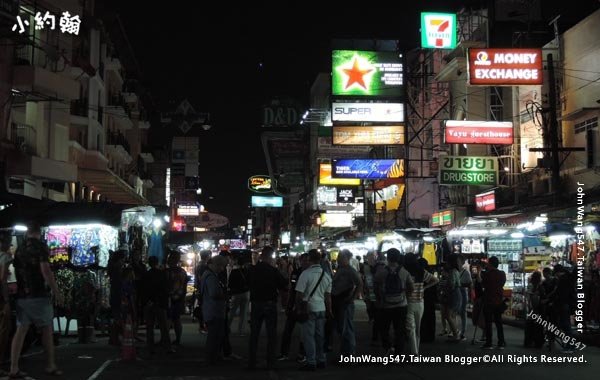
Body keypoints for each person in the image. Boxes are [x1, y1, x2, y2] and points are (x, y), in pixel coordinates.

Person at [10, 221, 64, 378]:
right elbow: (45, 271)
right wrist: (56, 291)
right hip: (38, 294)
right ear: (39, 232)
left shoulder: (19, 249)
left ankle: (14, 367)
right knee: (47, 329)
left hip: (22, 296)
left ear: (27, 232)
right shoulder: (40, 247)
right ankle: (50, 365)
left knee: (21, 331)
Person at [246, 246, 287, 370]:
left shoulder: (252, 270)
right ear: (270, 257)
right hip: (269, 303)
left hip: (256, 303)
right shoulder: (273, 270)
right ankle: (270, 361)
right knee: (271, 334)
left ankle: (252, 361)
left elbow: (247, 284)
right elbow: (284, 285)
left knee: (254, 334)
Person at [295, 249, 333, 371]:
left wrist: (298, 309)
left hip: (309, 309)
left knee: (309, 337)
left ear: (309, 260)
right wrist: (329, 311)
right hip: (321, 308)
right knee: (320, 336)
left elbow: (299, 295)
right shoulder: (326, 275)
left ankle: (311, 362)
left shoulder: (305, 274)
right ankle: (321, 359)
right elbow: (328, 297)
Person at [374, 248, 414, 355]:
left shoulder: (381, 272)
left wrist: (379, 298)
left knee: (384, 329)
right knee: (400, 330)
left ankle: (388, 347)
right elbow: (411, 287)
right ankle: (398, 352)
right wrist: (406, 296)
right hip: (401, 304)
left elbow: (375, 286)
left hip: (385, 305)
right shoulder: (404, 272)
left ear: (388, 258)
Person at [405, 253, 438, 355]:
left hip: (408, 303)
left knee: (411, 329)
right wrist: (424, 288)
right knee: (418, 329)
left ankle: (414, 353)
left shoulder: (404, 272)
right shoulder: (421, 271)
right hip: (420, 303)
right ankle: (415, 351)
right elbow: (436, 280)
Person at [278, 253, 308, 363]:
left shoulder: (310, 274)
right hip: (293, 305)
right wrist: (288, 305)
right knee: (287, 330)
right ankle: (284, 353)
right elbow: (292, 289)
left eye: (306, 260)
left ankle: (302, 354)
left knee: (304, 332)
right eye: (302, 260)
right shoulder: (296, 271)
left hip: (305, 305)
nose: (304, 263)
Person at [331, 250, 362, 356]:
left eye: (340, 257)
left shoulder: (350, 270)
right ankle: (345, 353)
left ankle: (350, 355)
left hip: (345, 303)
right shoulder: (340, 269)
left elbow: (359, 284)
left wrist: (352, 298)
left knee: (347, 329)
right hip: (338, 301)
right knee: (341, 329)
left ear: (346, 258)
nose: (338, 258)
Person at [200, 255, 228, 366]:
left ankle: (213, 357)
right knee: (214, 336)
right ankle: (211, 358)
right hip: (214, 310)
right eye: (221, 266)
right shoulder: (211, 277)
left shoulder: (207, 275)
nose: (222, 269)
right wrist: (224, 295)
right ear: (216, 265)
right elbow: (214, 294)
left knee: (215, 335)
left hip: (209, 309)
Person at [143, 256, 173, 354]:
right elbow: (165, 289)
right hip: (160, 302)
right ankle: (167, 346)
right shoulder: (162, 274)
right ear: (156, 263)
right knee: (163, 326)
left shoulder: (147, 275)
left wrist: (147, 301)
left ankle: (150, 347)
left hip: (150, 303)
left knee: (150, 326)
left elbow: (144, 290)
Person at [478, 256, 506, 350]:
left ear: (490, 264)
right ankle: (501, 342)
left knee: (488, 323)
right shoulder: (502, 274)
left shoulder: (487, 274)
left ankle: (489, 343)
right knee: (499, 322)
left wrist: (479, 272)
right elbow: (502, 284)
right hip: (498, 301)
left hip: (488, 300)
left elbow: (482, 284)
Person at [166, 251, 188, 346]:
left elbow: (166, 286)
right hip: (179, 297)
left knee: (168, 319)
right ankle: (178, 339)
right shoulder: (183, 272)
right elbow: (185, 287)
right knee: (177, 320)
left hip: (169, 298)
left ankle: (165, 339)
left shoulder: (168, 272)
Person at [0, 232, 13, 375]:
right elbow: (2, 279)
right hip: (1, 298)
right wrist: (6, 300)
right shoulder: (5, 256)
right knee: (4, 329)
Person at [227, 254, 249, 336]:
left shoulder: (234, 271)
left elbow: (230, 284)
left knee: (232, 312)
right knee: (243, 314)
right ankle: (241, 331)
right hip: (246, 293)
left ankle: (227, 327)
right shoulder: (247, 271)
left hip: (236, 294)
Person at [524, 271, 545, 348]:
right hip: (538, 308)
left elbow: (528, 297)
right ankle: (538, 342)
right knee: (538, 326)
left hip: (531, 308)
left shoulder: (531, 285)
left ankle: (529, 341)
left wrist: (529, 307)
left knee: (530, 325)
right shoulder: (540, 286)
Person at [194, 250, 212, 332]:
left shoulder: (199, 265)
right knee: (204, 308)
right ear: (207, 256)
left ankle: (202, 325)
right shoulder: (203, 266)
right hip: (203, 289)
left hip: (199, 288)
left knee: (202, 307)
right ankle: (203, 326)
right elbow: (202, 278)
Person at [457, 254, 472, 340]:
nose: (457, 262)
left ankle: (462, 332)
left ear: (462, 262)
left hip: (462, 292)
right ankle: (455, 330)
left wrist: (459, 284)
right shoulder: (455, 271)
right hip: (457, 293)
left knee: (462, 312)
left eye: (458, 261)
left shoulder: (466, 272)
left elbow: (469, 284)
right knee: (454, 312)